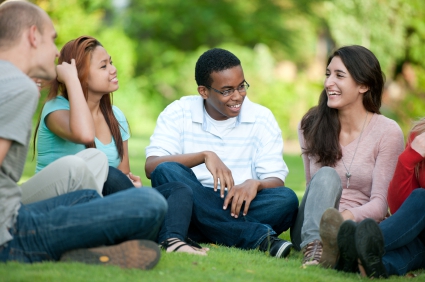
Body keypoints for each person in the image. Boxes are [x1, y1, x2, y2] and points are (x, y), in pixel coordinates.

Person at [0, 1, 167, 269]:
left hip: (18, 214)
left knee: (94, 182)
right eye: (52, 40)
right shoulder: (25, 91)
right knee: (148, 203)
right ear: (33, 36)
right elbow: (83, 132)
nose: (56, 52)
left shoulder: (15, 83)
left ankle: (90, 247)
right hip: (11, 230)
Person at [35, 35, 206, 255]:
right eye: (103, 66)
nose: (113, 69)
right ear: (80, 75)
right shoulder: (56, 109)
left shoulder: (116, 116)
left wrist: (131, 185)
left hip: (106, 200)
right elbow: (84, 134)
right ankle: (148, 226)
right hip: (65, 202)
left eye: (111, 62)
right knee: (107, 172)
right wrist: (71, 81)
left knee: (178, 190)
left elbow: (123, 175)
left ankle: (171, 240)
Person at [145, 48, 299, 258]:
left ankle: (198, 229)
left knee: (286, 199)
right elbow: (152, 167)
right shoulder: (178, 112)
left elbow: (276, 179)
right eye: (227, 90)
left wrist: (256, 183)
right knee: (167, 170)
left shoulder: (262, 118)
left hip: (239, 205)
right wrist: (203, 155)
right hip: (188, 198)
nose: (238, 96)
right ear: (204, 91)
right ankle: (255, 236)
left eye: (241, 86)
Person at [292, 45, 404, 266]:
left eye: (339, 75)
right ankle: (315, 249)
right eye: (328, 74)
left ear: (363, 84)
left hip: (353, 227)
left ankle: (340, 250)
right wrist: (324, 225)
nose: (328, 83)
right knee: (325, 176)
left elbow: (381, 204)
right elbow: (311, 187)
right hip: (309, 229)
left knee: (354, 235)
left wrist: (341, 220)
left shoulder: (387, 132)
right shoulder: (310, 125)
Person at [336, 118, 425, 278]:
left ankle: (357, 243)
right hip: (420, 236)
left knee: (422, 197)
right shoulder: (420, 135)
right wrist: (409, 158)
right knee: (410, 247)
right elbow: (401, 208)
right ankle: (366, 266)